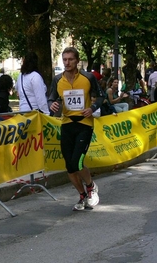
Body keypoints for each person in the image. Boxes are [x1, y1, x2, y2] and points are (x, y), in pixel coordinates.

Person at [48, 47, 104, 211]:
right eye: (64, 59)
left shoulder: (88, 77)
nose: (67, 62)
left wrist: (92, 108)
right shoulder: (58, 79)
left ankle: (91, 187)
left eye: (70, 59)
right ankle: (82, 195)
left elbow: (100, 96)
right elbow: (51, 98)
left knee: (77, 162)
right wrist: (53, 104)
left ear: (77, 60)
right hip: (67, 124)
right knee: (69, 165)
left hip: (84, 124)